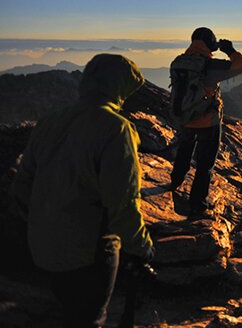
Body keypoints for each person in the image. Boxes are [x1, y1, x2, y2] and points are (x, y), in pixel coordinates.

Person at [10, 53, 154, 328]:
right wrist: (142, 247)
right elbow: (122, 203)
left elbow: (23, 185)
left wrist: (45, 223)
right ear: (121, 87)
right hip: (87, 254)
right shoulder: (116, 129)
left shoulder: (50, 121)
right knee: (90, 319)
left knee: (69, 311)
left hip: (42, 248)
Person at [169, 27, 242, 217]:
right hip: (207, 121)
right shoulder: (210, 66)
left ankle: (175, 181)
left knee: (184, 151)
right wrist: (230, 50)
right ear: (209, 43)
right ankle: (197, 203)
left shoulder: (177, 62)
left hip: (185, 119)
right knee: (204, 165)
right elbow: (241, 66)